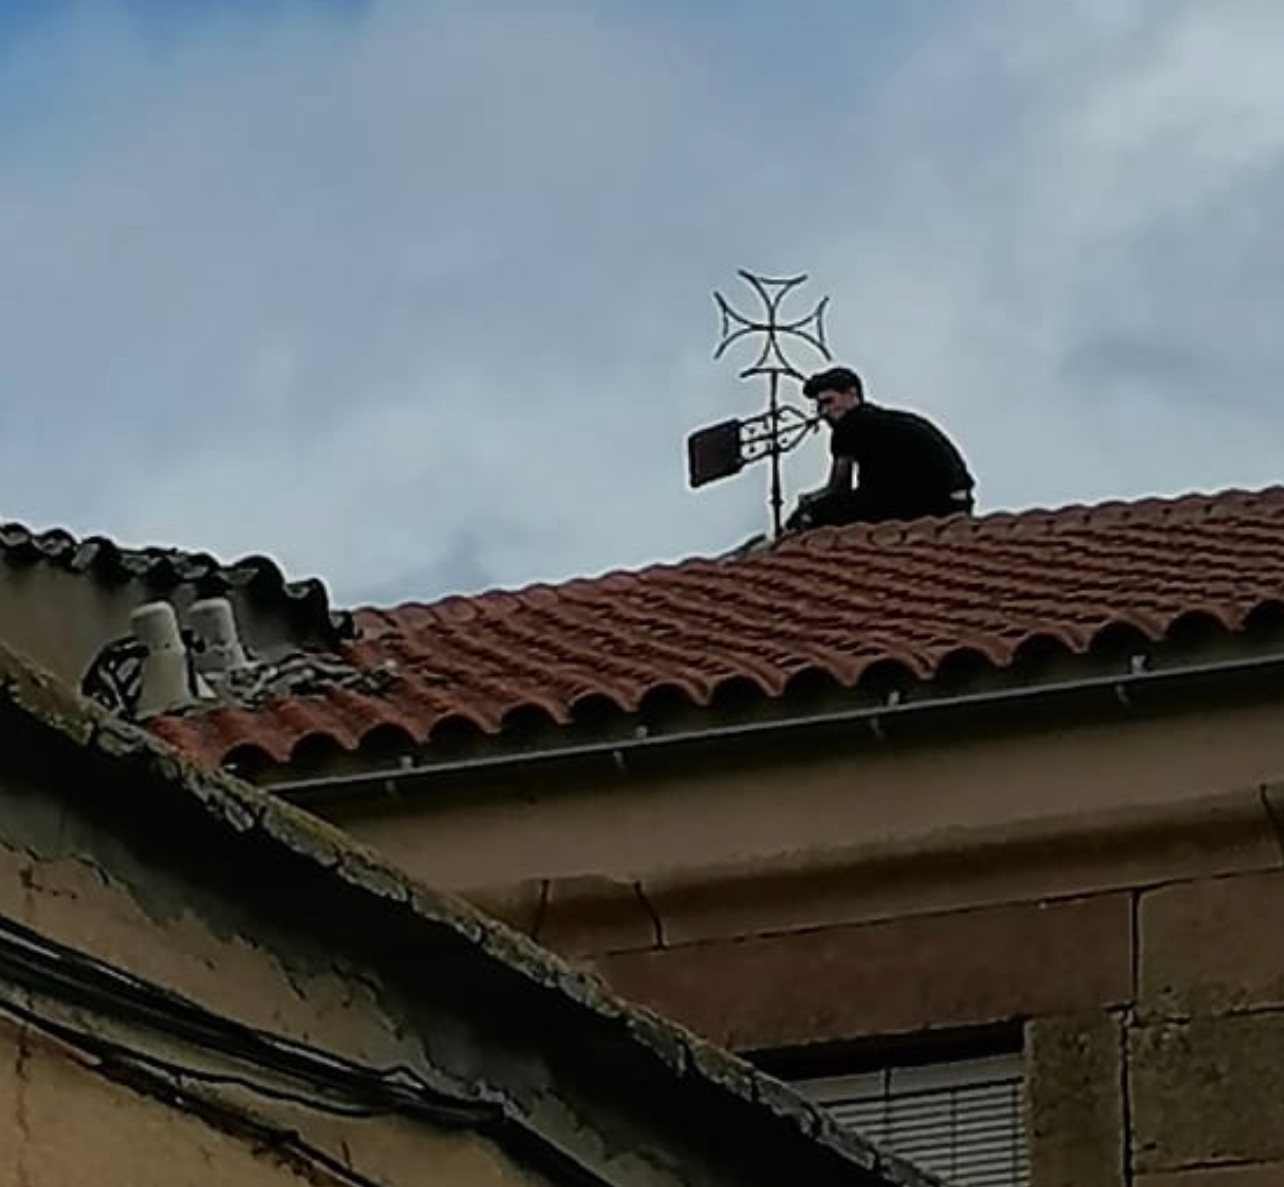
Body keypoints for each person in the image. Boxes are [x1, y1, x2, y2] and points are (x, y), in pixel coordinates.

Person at [788, 366, 975, 529]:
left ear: (852, 394)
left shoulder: (849, 425)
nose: (824, 412)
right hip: (957, 501)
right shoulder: (887, 421)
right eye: (819, 407)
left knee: (820, 513)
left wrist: (809, 504)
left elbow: (839, 486)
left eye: (829, 402)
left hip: (929, 501)